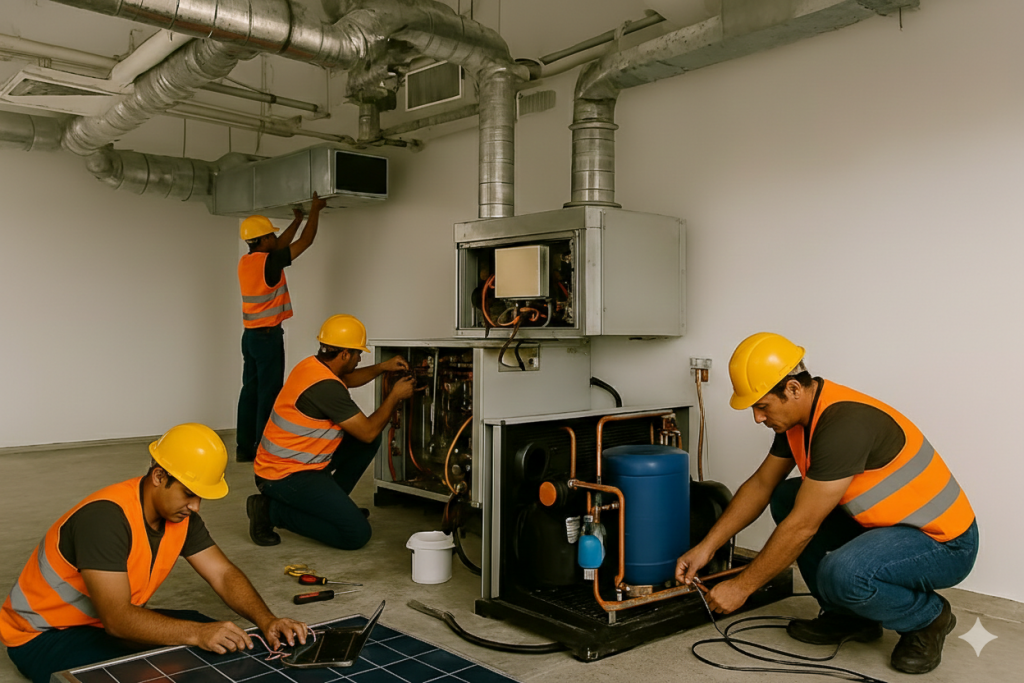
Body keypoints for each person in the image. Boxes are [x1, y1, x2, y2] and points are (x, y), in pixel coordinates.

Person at [676, 333, 978, 675]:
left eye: (762, 405)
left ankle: (928, 618)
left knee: (844, 572)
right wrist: (706, 547)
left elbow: (803, 526)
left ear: (792, 389)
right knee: (788, 496)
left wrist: (742, 587)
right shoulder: (800, 421)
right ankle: (849, 617)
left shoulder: (843, 425)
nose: (757, 418)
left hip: (944, 543)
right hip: (892, 529)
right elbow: (761, 485)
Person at [0, 424, 308, 683]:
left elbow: (223, 574)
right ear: (159, 477)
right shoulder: (105, 519)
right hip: (42, 637)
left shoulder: (182, 518)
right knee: (176, 662)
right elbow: (118, 620)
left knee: (216, 637)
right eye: (188, 493)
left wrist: (267, 620)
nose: (195, 506)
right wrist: (197, 634)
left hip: (98, 624)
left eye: (200, 496)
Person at [247, 314, 414, 550]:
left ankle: (334, 506)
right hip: (283, 476)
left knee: (370, 440)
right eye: (358, 354)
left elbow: (348, 378)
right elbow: (366, 431)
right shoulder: (326, 388)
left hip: (300, 462)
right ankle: (270, 511)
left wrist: (382, 367)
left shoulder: (312, 366)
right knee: (356, 534)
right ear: (345, 354)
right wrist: (394, 396)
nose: (359, 358)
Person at [236, 192, 327, 463]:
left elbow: (279, 247)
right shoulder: (271, 261)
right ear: (263, 240)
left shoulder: (247, 261)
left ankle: (244, 447)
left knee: (249, 390)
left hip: (250, 337)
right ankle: (264, 445)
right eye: (271, 236)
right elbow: (305, 242)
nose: (275, 239)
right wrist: (315, 210)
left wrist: (296, 220)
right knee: (268, 393)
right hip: (267, 338)